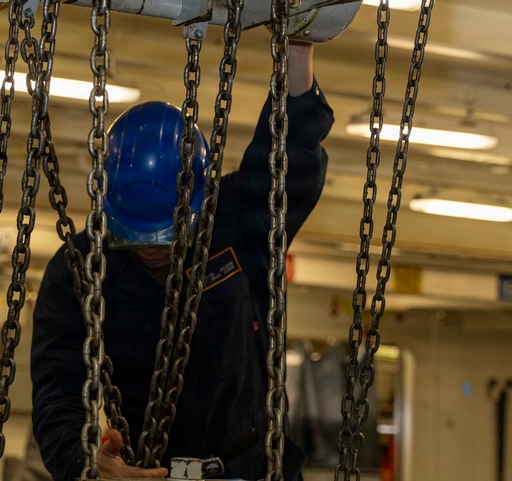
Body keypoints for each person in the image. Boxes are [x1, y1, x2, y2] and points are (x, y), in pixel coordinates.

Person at [31, 42, 333, 480]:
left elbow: (291, 153)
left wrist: (299, 46)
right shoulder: (78, 271)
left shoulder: (235, 220)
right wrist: (87, 466)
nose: (153, 249)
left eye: (170, 234)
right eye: (136, 236)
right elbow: (57, 394)